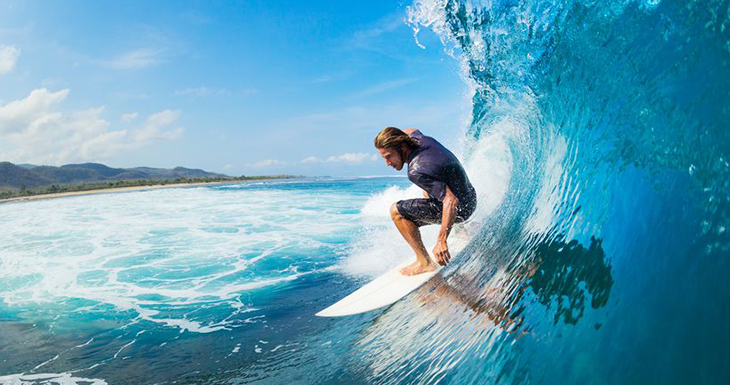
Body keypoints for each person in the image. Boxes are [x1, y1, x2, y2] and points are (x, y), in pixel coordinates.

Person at [374, 127, 477, 276]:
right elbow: (411, 129)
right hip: (470, 197)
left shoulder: (416, 171)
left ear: (402, 146)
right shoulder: (419, 139)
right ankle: (461, 229)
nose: (387, 162)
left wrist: (442, 240)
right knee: (428, 188)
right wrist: (392, 136)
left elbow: (451, 200)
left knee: (396, 211)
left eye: (389, 156)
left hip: (462, 210)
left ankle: (425, 262)